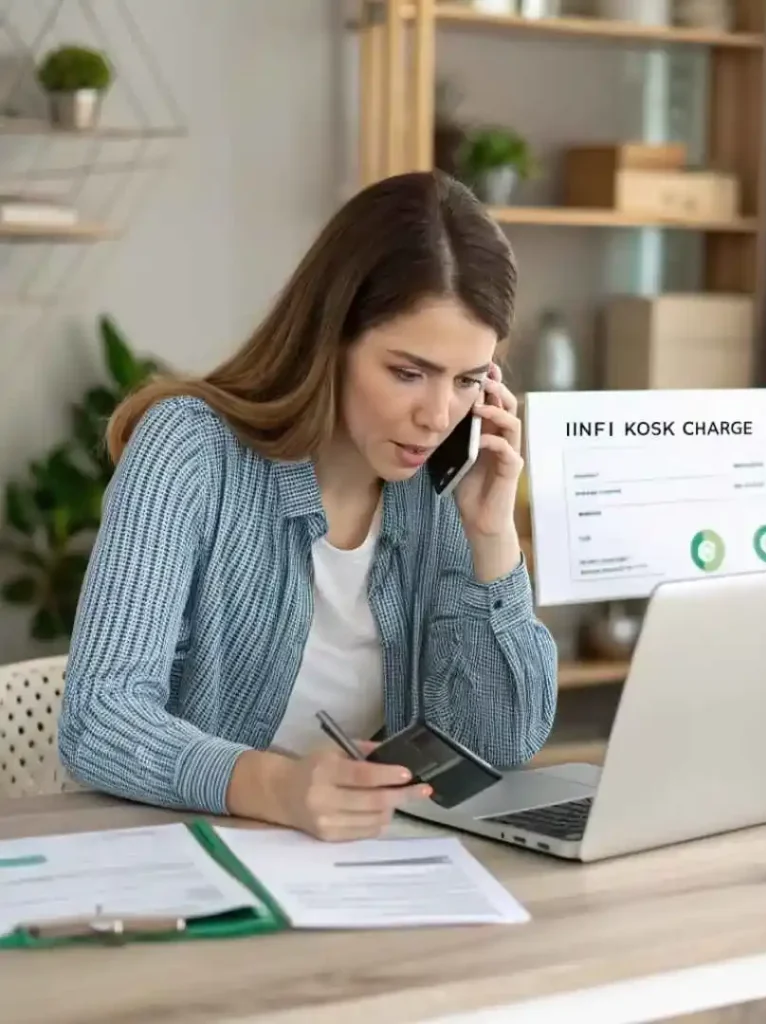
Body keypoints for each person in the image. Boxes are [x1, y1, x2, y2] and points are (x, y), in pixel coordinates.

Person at [57, 170, 559, 841]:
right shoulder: (189, 450)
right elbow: (100, 718)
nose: (438, 415)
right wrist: (277, 787)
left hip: (356, 868)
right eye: (408, 373)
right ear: (332, 339)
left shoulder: (442, 492)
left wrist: (492, 537)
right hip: (185, 858)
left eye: (467, 380)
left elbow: (497, 745)